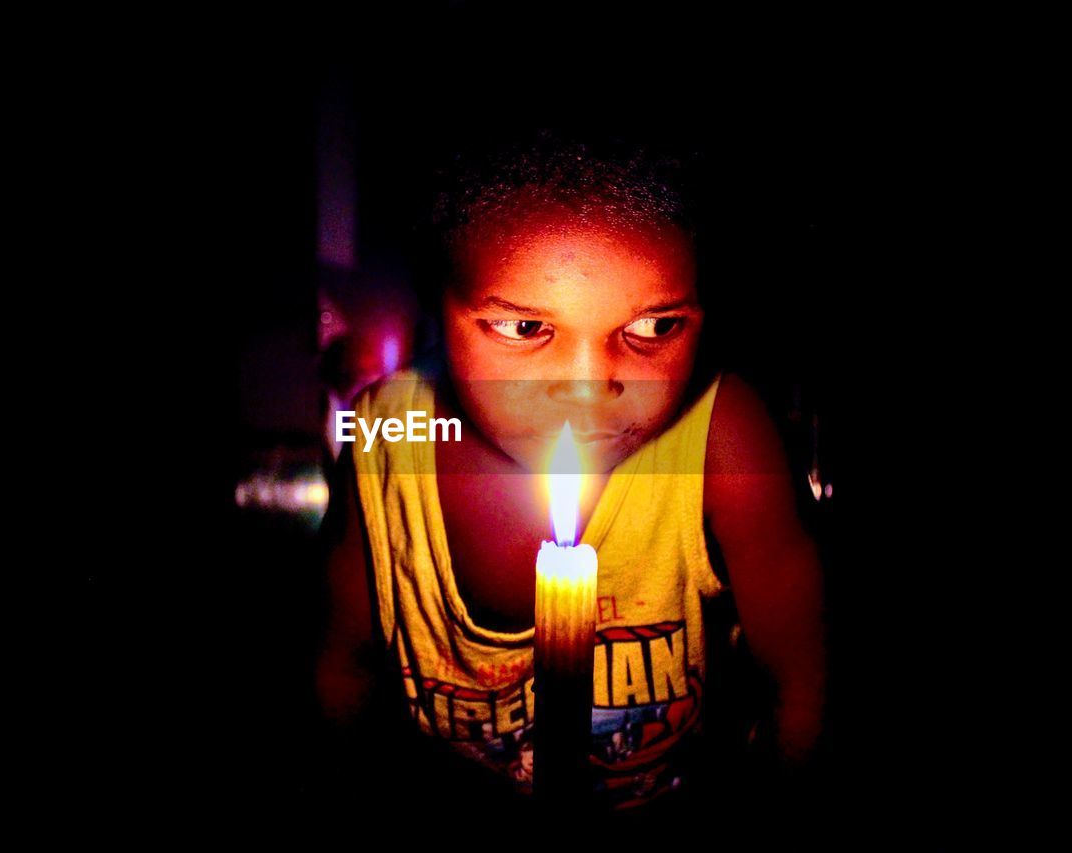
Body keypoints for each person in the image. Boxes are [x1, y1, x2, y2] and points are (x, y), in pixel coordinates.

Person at [312, 131, 827, 829]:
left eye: (654, 325)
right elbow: (341, 669)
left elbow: (804, 688)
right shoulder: (388, 435)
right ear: (437, 307)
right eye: (524, 326)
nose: (589, 392)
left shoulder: (720, 440)